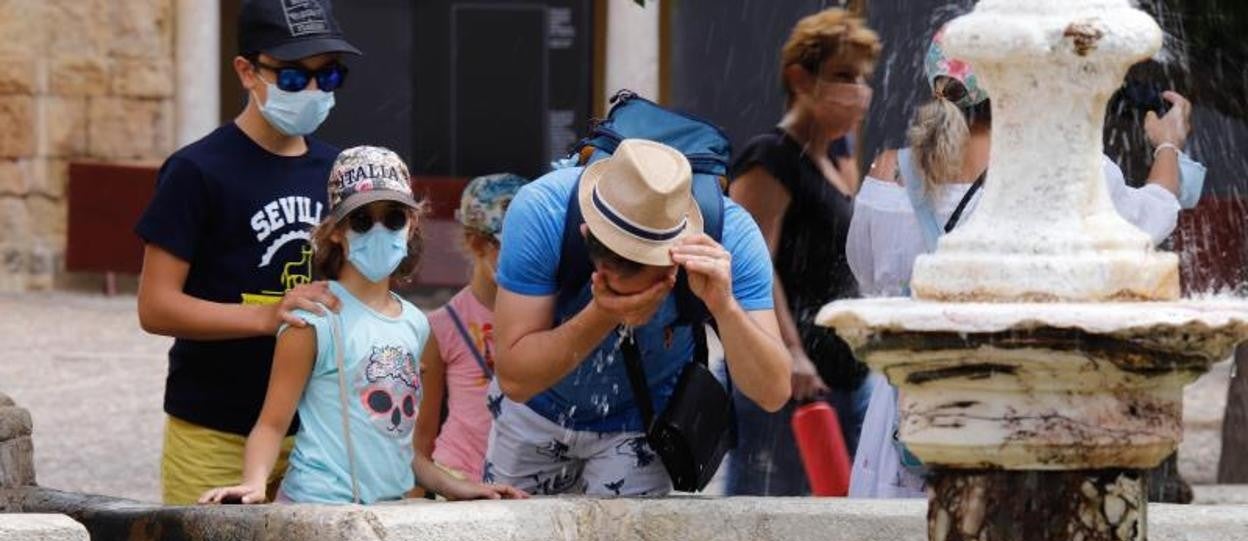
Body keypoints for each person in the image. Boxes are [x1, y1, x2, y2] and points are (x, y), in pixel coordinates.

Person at [846, 27, 1202, 498]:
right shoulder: (1066, 169)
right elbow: (1148, 221)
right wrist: (1168, 145)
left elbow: (869, 274)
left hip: (910, 417)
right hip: (1015, 412)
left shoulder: (890, 170)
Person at [199, 147, 528, 505]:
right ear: (337, 231)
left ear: (412, 223)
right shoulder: (312, 319)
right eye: (361, 220)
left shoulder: (416, 324)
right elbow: (272, 423)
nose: (378, 229)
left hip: (386, 516)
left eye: (393, 218)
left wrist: (457, 486)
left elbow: (399, 447)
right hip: (316, 509)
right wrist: (254, 482)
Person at [135, 0, 359, 504]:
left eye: (328, 78)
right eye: (294, 79)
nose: (314, 91)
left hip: (316, 432)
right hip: (215, 429)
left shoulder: (338, 171)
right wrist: (267, 318)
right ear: (246, 71)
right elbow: (156, 307)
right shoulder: (196, 171)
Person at [486, 138, 791, 496]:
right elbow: (515, 380)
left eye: (650, 285)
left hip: (643, 420)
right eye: (611, 284)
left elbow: (773, 392)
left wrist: (724, 307)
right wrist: (603, 313)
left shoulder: (732, 237)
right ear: (587, 235)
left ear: (675, 259)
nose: (631, 298)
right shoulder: (543, 211)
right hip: (536, 410)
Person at [725, 8, 882, 495]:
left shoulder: (836, 159)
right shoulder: (769, 158)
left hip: (842, 374)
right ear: (799, 78)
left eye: (861, 78)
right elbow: (754, 265)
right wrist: (791, 353)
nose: (857, 90)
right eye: (842, 76)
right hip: (789, 384)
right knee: (768, 523)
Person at [415, 174, 529, 481]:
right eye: (512, 245)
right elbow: (422, 435)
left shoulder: (545, 313)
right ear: (476, 242)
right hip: (458, 475)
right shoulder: (441, 325)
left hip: (526, 476)